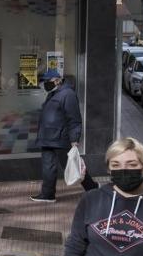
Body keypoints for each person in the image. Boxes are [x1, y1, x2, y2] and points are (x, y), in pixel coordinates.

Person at [31, 69, 97, 203]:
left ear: (57, 80)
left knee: (73, 164)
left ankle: (93, 189)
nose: (44, 85)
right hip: (47, 138)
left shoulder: (68, 94)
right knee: (48, 167)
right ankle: (48, 194)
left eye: (46, 82)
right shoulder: (53, 93)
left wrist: (74, 139)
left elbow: (74, 119)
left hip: (60, 138)